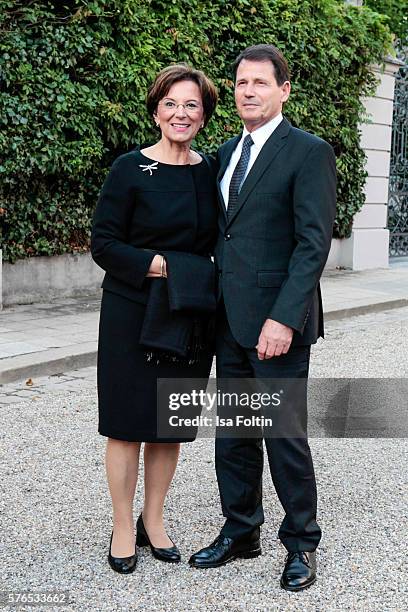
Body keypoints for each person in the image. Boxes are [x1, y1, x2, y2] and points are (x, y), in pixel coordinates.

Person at [189, 44, 336, 592]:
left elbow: (311, 244)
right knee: (233, 434)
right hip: (228, 321)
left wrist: (284, 318)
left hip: (277, 325)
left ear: (283, 91)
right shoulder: (226, 153)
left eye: (259, 83)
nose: (247, 91)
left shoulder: (308, 152)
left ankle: (301, 542)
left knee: (283, 435)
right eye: (241, 83)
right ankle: (241, 529)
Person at [91, 64, 218, 574]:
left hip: (188, 313)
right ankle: (123, 525)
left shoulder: (211, 172)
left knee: (169, 424)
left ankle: (154, 519)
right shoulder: (129, 168)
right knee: (125, 424)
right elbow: (104, 243)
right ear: (155, 110)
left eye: (191, 105)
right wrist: (162, 265)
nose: (179, 114)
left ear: (204, 115)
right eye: (170, 103)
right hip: (131, 308)